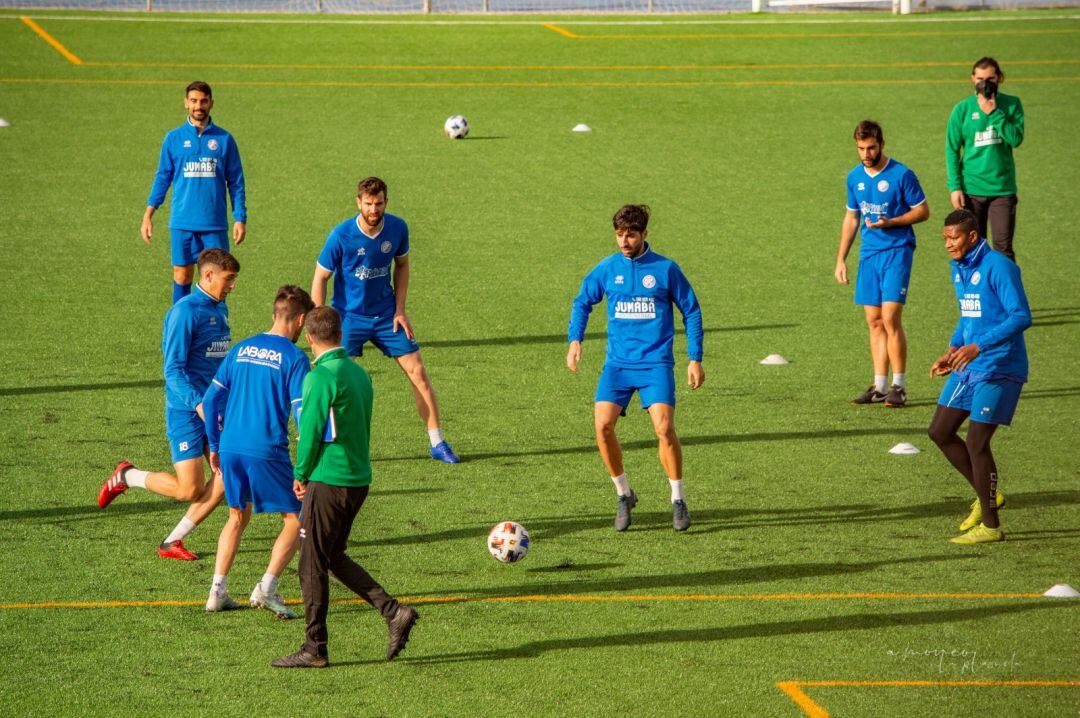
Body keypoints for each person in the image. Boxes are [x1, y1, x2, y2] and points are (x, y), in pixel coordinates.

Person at [272, 307, 418, 668]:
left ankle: (315, 648)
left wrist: (301, 474)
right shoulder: (358, 372)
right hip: (357, 479)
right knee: (333, 556)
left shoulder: (319, 377)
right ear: (340, 333)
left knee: (310, 565)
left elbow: (311, 433)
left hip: (329, 480)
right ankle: (392, 611)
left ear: (309, 337)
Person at [566, 204, 704, 533]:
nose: (624, 241)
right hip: (618, 365)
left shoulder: (666, 269)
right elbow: (582, 301)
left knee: (664, 429)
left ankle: (677, 499)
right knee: (602, 427)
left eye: (630, 234)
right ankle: (624, 494)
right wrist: (575, 340)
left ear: (644, 234)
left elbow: (691, 310)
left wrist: (695, 357)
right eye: (619, 235)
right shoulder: (607, 269)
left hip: (655, 363)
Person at [98, 249, 238, 560]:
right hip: (186, 410)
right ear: (209, 275)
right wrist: (197, 403)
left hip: (214, 408)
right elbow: (172, 369)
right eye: (228, 280)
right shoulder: (184, 313)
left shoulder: (220, 307)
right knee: (189, 489)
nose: (232, 286)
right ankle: (128, 476)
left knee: (228, 473)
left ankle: (172, 541)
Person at [311, 176, 459, 464]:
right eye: (368, 204)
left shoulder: (397, 228)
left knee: (417, 372)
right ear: (358, 202)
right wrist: (320, 318)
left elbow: (402, 266)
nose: (374, 210)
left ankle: (437, 442)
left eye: (379, 203)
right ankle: (323, 441)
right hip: (348, 317)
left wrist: (400, 309)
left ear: (386, 202)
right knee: (332, 379)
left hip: (386, 316)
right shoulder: (341, 235)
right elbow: (321, 276)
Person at [201, 286, 315, 617]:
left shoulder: (240, 349)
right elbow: (301, 412)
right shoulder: (295, 358)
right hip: (266, 449)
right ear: (301, 320)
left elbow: (211, 400)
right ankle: (267, 588)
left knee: (237, 515)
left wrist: (215, 445)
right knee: (297, 517)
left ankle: (216, 591)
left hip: (231, 446)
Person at [928, 209, 1031, 545]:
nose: (948, 244)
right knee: (940, 431)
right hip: (969, 364)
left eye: (953, 237)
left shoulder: (999, 266)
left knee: (976, 442)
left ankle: (990, 525)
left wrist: (977, 346)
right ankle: (988, 494)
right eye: (945, 238)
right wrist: (953, 348)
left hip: (1000, 366)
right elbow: (968, 313)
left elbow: (1021, 316)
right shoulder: (960, 267)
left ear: (972, 236)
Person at [835, 120, 930, 408]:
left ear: (882, 144)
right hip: (870, 255)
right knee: (874, 321)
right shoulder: (854, 177)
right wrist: (841, 258)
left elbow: (923, 211)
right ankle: (879, 386)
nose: (866, 153)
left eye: (871, 147)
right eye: (861, 148)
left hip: (897, 251)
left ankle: (899, 387)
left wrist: (893, 222)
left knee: (890, 318)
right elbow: (852, 217)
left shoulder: (902, 175)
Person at [143, 81, 247, 304]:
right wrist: (149, 213)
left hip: (214, 224)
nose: (198, 105)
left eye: (203, 101)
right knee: (183, 276)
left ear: (211, 103)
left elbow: (236, 182)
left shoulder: (224, 140)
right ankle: (179, 325)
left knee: (218, 280)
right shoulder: (173, 139)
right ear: (185, 103)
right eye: (193, 101)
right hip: (182, 222)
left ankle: (216, 331)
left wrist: (240, 218)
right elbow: (163, 177)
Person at [946, 57, 1024, 263]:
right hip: (972, 190)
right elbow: (952, 150)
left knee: (1003, 250)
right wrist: (955, 187)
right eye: (980, 78)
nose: (985, 83)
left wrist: (995, 114)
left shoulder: (1011, 105)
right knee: (972, 248)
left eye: (990, 78)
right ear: (972, 79)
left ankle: (1006, 294)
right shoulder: (962, 110)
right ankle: (975, 294)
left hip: (1002, 190)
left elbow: (1016, 139)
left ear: (999, 78)